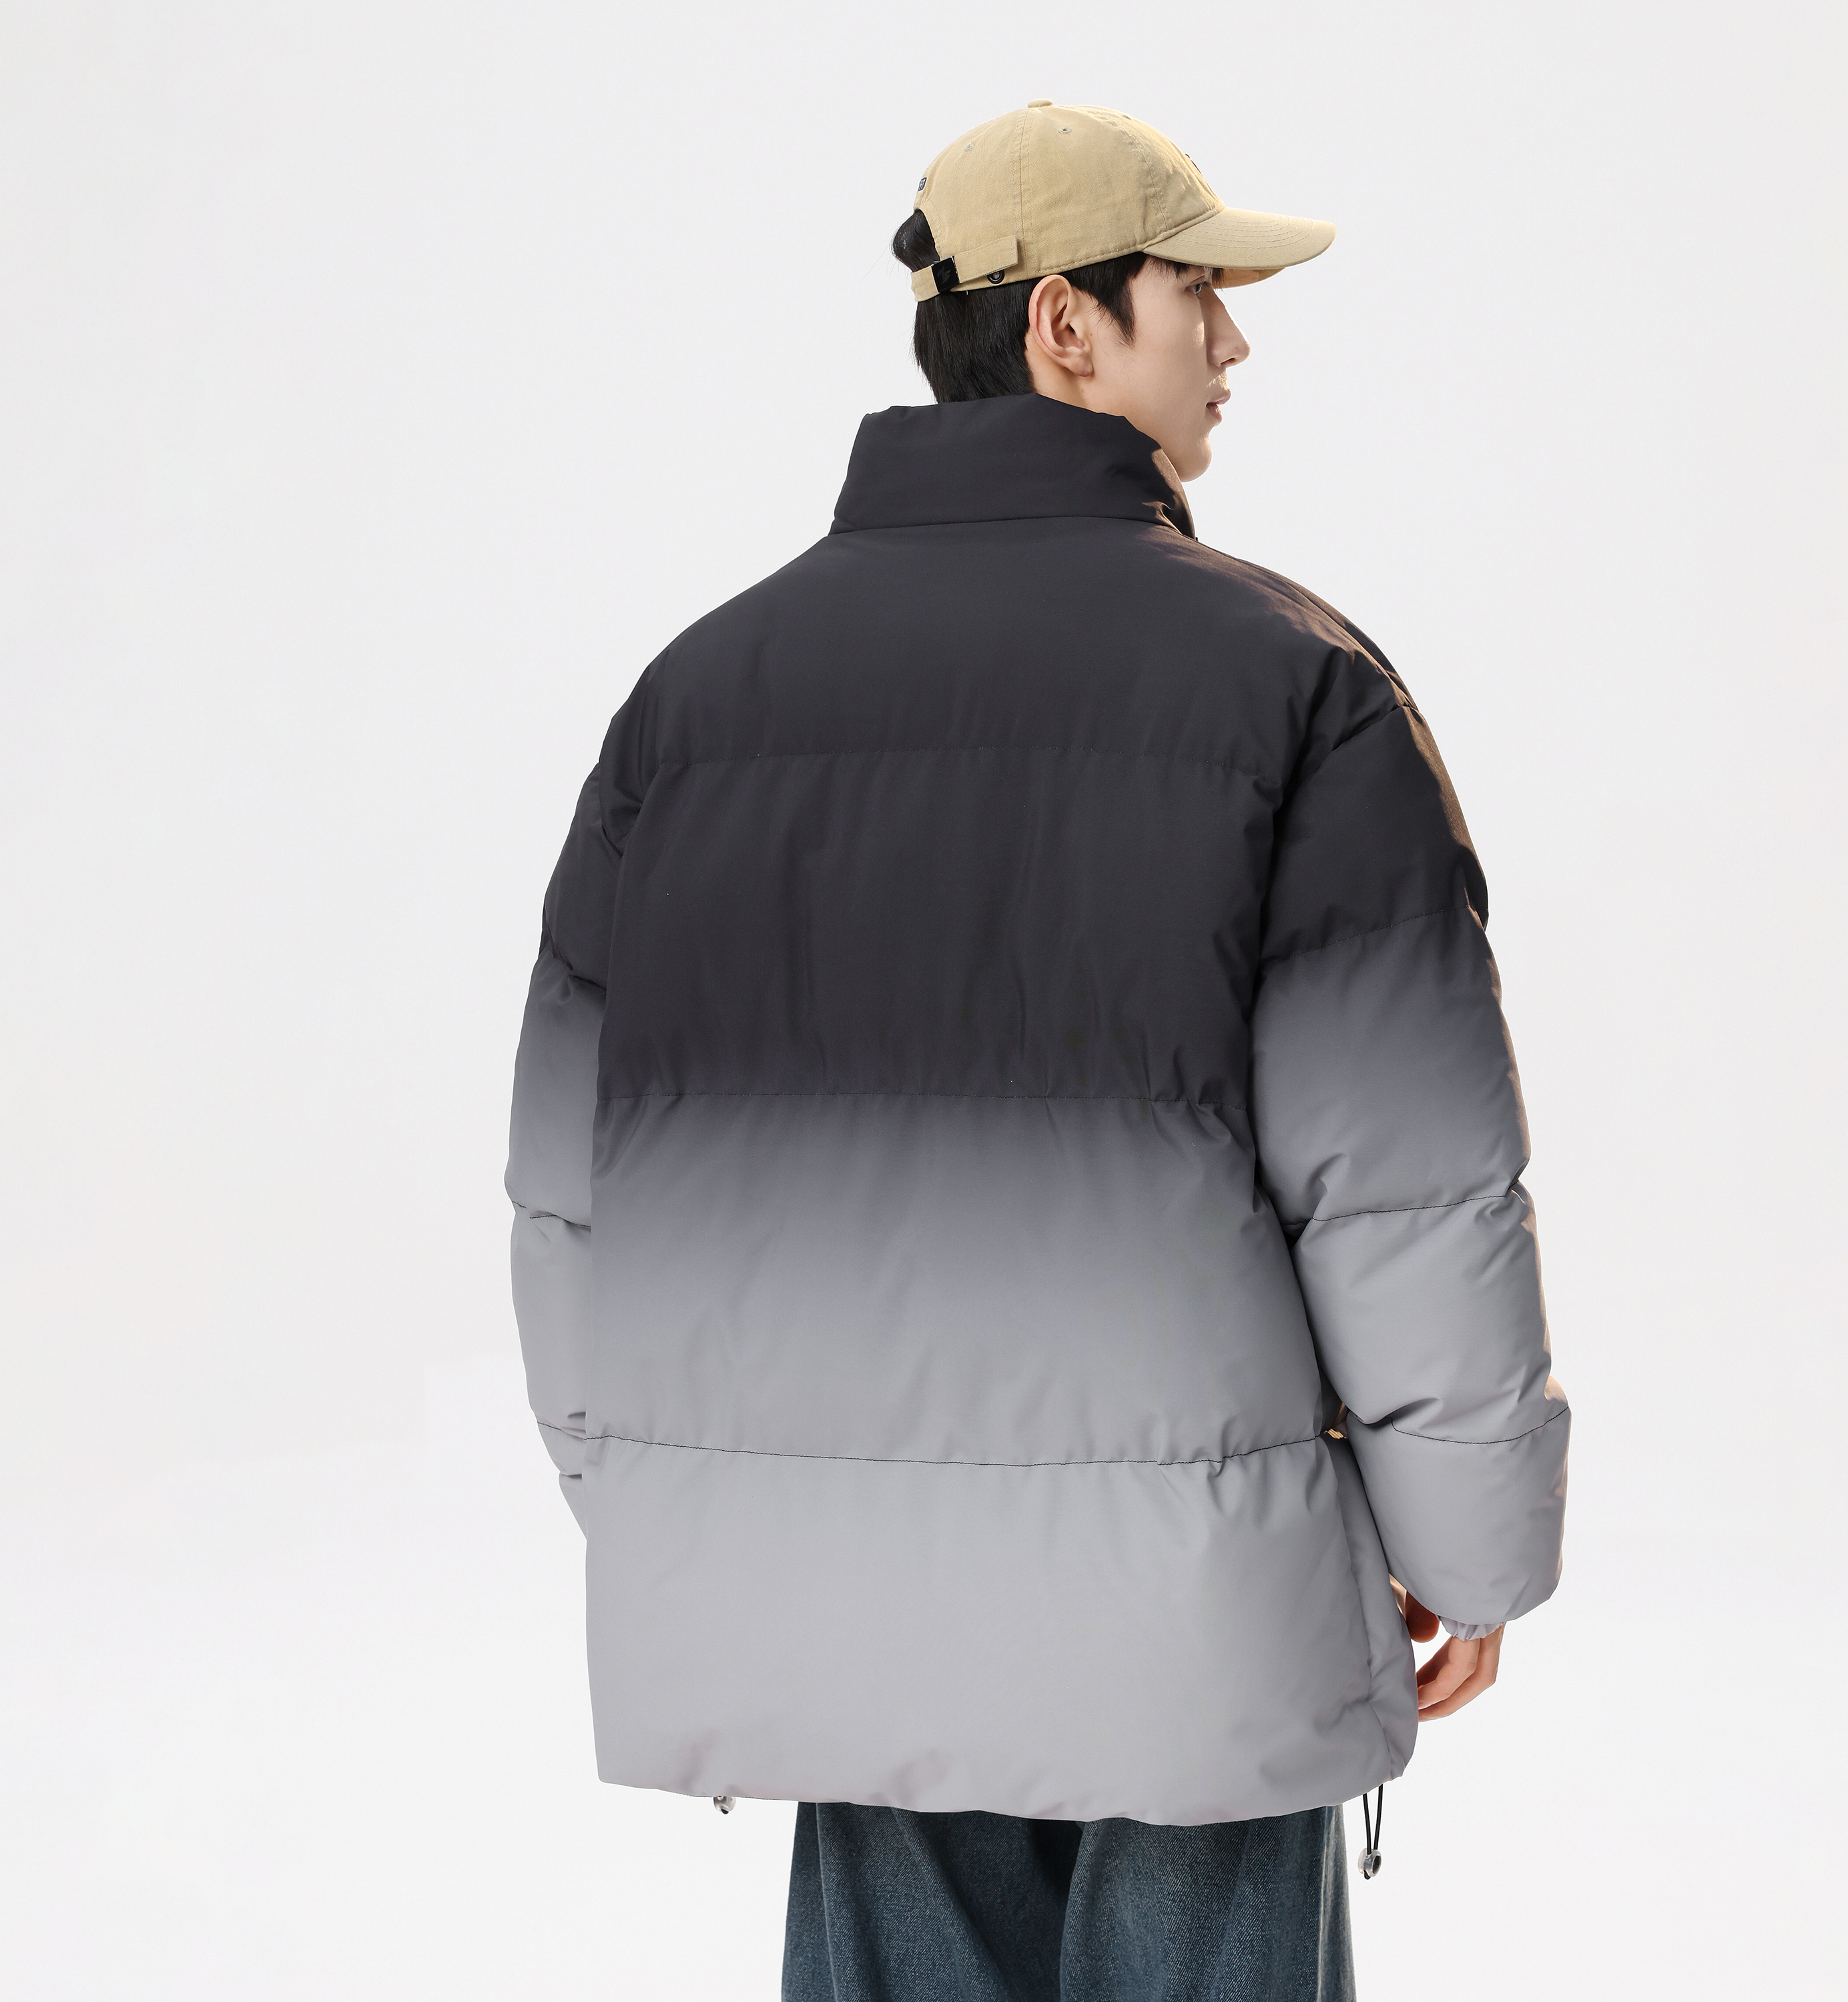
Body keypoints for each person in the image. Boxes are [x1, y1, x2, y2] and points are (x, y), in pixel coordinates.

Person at [505, 100, 1569, 2001]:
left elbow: (577, 1181)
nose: (1235, 340)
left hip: (840, 1597)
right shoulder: (1293, 684)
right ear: (1067, 323)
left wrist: (693, 1505)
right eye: (1197, 293)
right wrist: (1468, 1543)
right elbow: (1402, 1177)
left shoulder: (694, 702)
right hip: (1200, 1611)